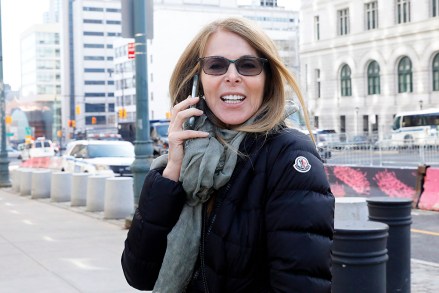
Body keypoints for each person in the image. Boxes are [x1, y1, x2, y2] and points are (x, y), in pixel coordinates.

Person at [121, 17, 334, 292]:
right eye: (216, 65)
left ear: (267, 80)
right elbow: (138, 275)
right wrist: (172, 171)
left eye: (248, 65)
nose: (232, 76)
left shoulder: (289, 156)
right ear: (199, 80)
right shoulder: (186, 156)